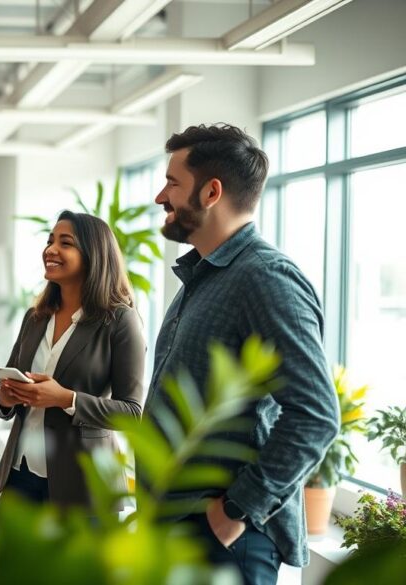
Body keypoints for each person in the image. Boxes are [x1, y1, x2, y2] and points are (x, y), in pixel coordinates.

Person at [144, 124, 340, 585]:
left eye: (172, 183)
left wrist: (235, 510)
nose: (160, 197)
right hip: (180, 525)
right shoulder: (203, 277)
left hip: (225, 536)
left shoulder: (265, 278)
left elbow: (315, 413)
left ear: (211, 192)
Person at [0, 210, 145, 511]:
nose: (51, 250)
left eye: (65, 242)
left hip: (83, 483)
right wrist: (5, 397)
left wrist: (66, 399)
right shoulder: (35, 317)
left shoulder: (120, 320)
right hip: (21, 473)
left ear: (94, 255)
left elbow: (132, 412)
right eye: (50, 241)